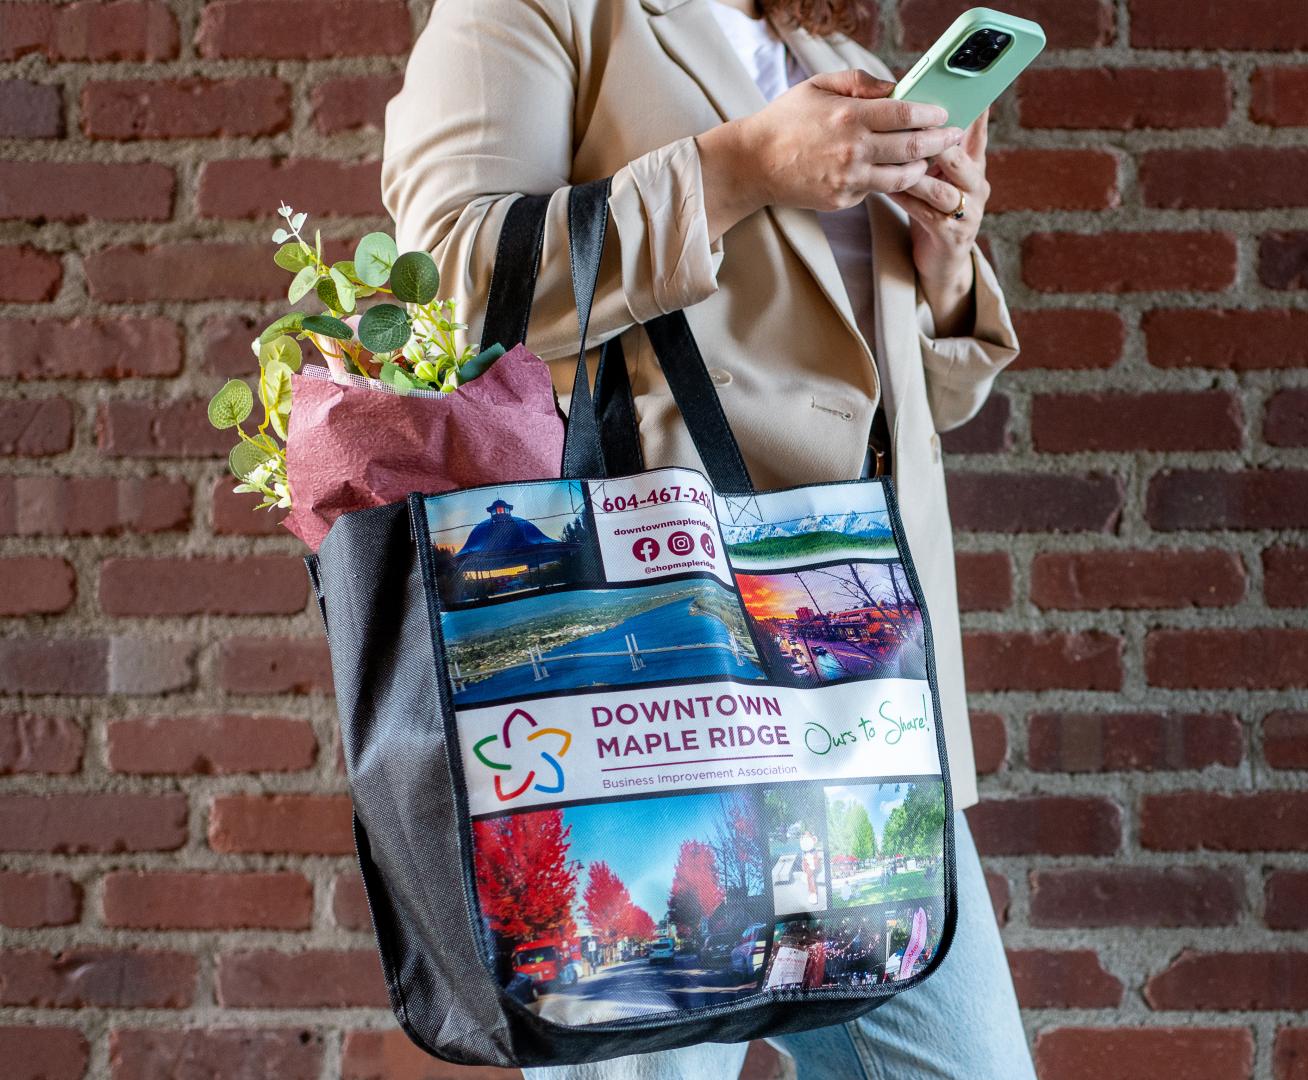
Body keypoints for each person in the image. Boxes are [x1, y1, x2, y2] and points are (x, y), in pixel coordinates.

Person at [381, 0, 1029, 1077]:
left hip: (866, 699)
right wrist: (741, 168)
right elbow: (448, 288)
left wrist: (945, 257)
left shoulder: (834, 60)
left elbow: (904, 399)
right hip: (652, 699)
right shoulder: (538, 12)